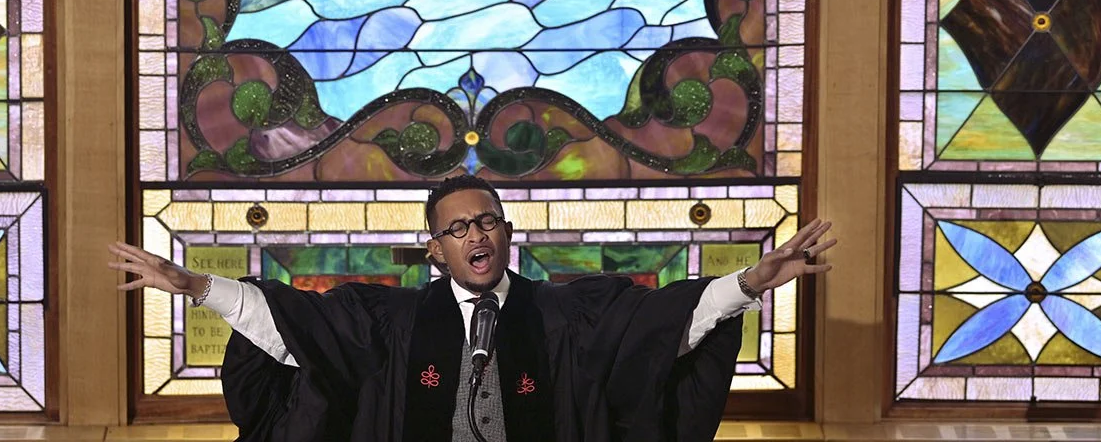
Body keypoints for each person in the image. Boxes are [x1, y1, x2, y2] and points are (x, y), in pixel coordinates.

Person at [111, 175, 836, 441]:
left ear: (507, 232)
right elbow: (296, 330)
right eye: (457, 229)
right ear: (437, 250)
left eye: (487, 221)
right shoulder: (389, 321)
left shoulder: (568, 314)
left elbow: (660, 329)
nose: (475, 236)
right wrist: (194, 285)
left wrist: (752, 281)